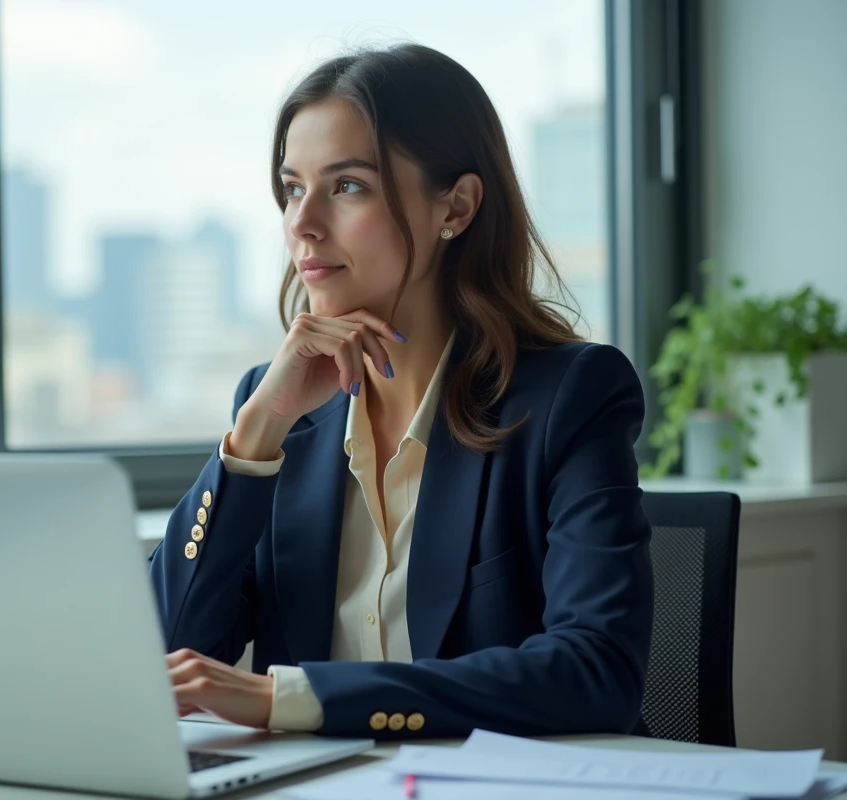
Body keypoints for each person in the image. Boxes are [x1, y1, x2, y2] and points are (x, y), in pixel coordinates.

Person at [148, 42, 653, 740]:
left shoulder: (570, 397)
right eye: (293, 187)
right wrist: (257, 430)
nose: (302, 222)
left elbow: (596, 672)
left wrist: (288, 698)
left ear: (457, 206)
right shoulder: (275, 408)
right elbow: (168, 645)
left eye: (348, 185)